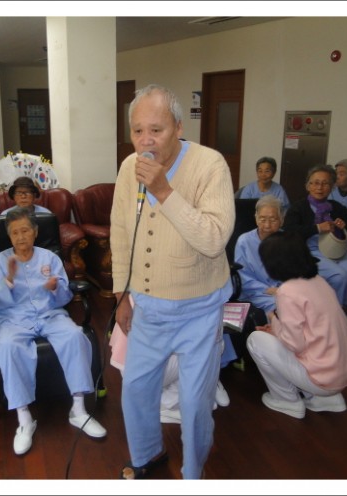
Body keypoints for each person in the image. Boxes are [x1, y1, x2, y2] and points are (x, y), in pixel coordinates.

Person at [110, 84, 235, 479]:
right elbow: (120, 230)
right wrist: (121, 294)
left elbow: (214, 239)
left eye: (156, 130)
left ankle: (193, 472)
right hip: (148, 307)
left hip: (199, 309)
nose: (145, 140)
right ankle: (147, 457)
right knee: (135, 390)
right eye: (137, 131)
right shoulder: (128, 168)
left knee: (195, 404)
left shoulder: (211, 165)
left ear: (178, 127)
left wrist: (163, 190)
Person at [0, 208, 107, 456]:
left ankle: (78, 410)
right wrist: (9, 278)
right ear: (9, 236)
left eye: (25, 231)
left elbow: (64, 297)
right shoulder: (1, 260)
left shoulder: (49, 258)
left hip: (49, 314)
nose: (20, 237)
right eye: (14, 233)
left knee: (75, 336)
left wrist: (55, 288)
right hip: (13, 319)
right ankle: (24, 419)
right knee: (8, 347)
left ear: (35, 232)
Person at [246, 230, 347, 419]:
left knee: (255, 340)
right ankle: (327, 399)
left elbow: (295, 345)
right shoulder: (318, 280)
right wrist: (277, 329)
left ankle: (287, 400)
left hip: (322, 378)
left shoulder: (287, 291)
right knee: (276, 338)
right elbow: (312, 329)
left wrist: (274, 322)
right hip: (342, 371)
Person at [109, 295, 234, 425]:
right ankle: (164, 404)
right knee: (213, 347)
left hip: (137, 370)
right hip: (146, 373)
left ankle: (173, 396)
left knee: (209, 341)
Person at [283, 164, 347, 335]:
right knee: (340, 276)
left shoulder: (336, 207)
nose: (319, 187)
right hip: (311, 251)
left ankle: (343, 314)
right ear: (308, 185)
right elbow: (290, 232)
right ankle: (333, 318)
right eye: (315, 183)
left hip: (337, 250)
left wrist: (344, 225)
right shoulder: (298, 207)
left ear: (332, 186)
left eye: (325, 183)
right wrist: (317, 228)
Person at [234, 194, 284, 317]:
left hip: (285, 291)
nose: (267, 225)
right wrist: (267, 289)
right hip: (255, 293)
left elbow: (296, 271)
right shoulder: (244, 241)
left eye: (273, 220)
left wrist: (286, 289)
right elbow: (242, 276)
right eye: (262, 219)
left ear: (281, 220)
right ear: (256, 219)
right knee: (282, 307)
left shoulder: (288, 240)